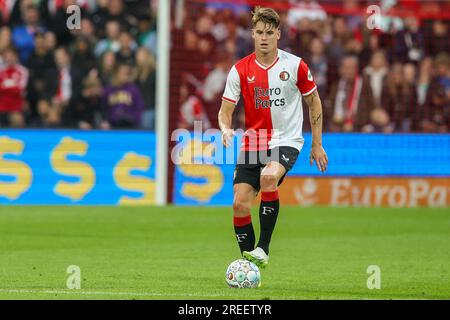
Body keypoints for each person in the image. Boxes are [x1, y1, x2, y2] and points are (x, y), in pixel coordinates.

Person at [217, 7, 328, 270]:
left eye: (269, 32)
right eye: (259, 32)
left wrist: (317, 143)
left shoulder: (295, 65)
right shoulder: (240, 70)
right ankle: (249, 265)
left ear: (278, 34)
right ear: (252, 34)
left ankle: (263, 248)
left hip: (286, 139)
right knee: (239, 204)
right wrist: (224, 129)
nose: (264, 37)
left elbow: (314, 102)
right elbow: (225, 111)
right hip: (254, 143)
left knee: (269, 177)